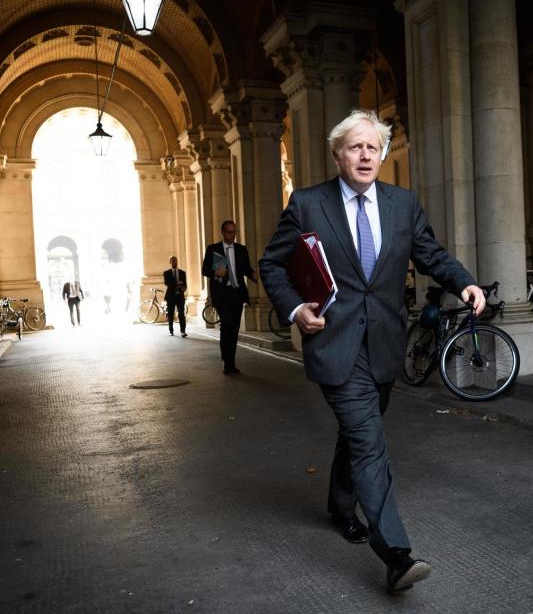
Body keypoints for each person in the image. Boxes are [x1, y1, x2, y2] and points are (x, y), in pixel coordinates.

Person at [259, 110, 485, 594]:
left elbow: (430, 253)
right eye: (355, 147)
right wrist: (296, 308)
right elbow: (272, 265)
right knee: (368, 440)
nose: (365, 155)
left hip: (383, 344)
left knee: (357, 433)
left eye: (373, 147)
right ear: (337, 155)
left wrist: (463, 282)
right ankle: (396, 555)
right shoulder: (307, 204)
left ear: (382, 154)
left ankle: (341, 507)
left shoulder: (402, 204)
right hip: (334, 343)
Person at [202, 220, 258, 374]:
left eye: (234, 232)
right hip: (222, 294)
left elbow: (246, 268)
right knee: (227, 325)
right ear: (222, 232)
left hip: (237, 294)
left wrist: (254, 275)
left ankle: (230, 360)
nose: (232, 235)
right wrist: (215, 272)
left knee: (234, 328)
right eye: (229, 232)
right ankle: (227, 362)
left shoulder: (241, 249)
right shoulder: (213, 249)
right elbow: (205, 269)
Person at [164, 256, 188, 337]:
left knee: (181, 314)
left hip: (180, 296)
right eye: (173, 261)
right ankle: (171, 330)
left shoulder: (182, 273)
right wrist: (178, 284)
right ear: (170, 262)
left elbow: (184, 286)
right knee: (170, 314)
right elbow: (167, 283)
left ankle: (183, 331)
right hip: (170, 296)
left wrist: (179, 285)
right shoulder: (166, 273)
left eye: (175, 261)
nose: (174, 262)